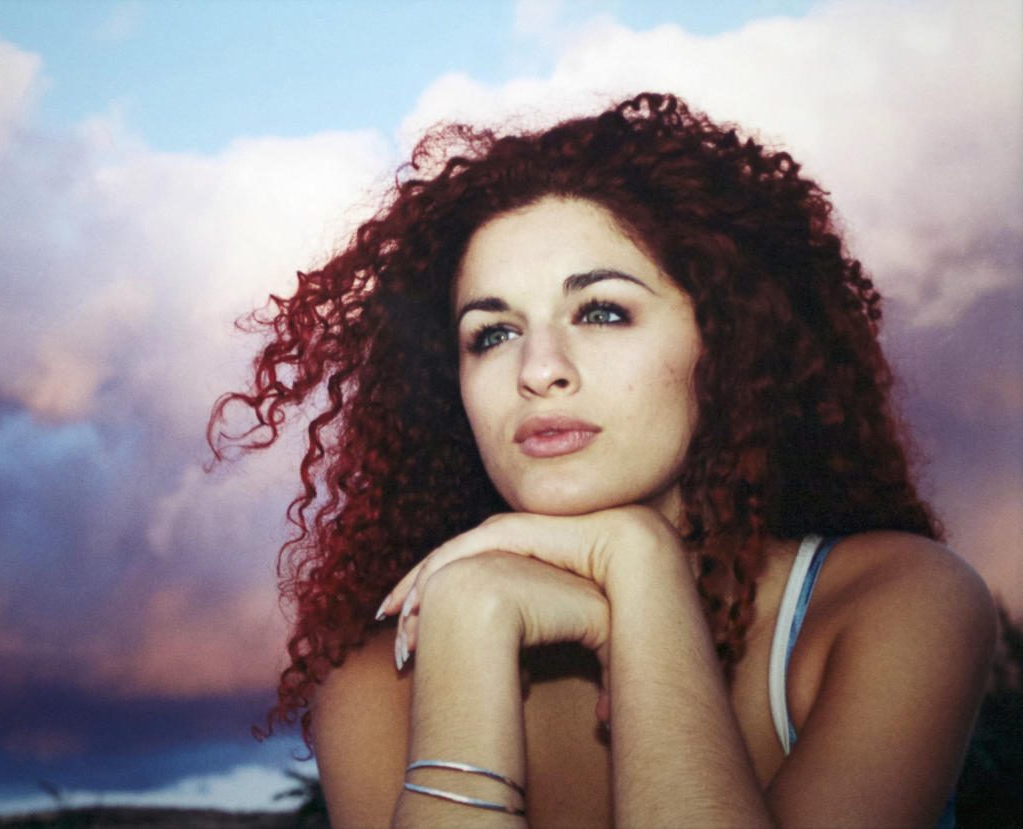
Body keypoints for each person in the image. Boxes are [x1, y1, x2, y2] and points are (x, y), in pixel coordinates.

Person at [208, 92, 996, 827]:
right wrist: (473, 621)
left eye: (603, 311)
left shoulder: (894, 604)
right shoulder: (379, 682)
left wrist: (637, 559)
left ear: (726, 342)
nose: (538, 369)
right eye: (492, 332)